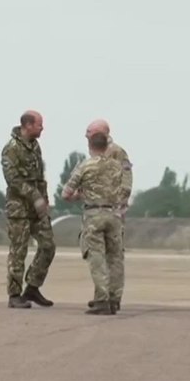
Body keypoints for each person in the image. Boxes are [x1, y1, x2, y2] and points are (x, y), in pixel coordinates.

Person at [62, 131, 124, 315]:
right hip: (114, 214)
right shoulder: (117, 166)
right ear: (106, 146)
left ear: (90, 146)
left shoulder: (85, 167)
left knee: (97, 258)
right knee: (115, 258)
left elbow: (66, 194)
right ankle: (115, 299)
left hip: (94, 215)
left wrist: (80, 195)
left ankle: (102, 299)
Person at [2, 110, 56, 308]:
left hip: (37, 210)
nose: (42, 128)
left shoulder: (35, 147)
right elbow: (13, 180)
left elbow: (40, 177)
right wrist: (34, 197)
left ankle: (32, 287)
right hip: (19, 210)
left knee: (48, 246)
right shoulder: (11, 149)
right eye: (39, 124)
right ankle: (14, 295)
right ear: (28, 125)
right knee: (18, 251)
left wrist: (44, 201)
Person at [83, 118, 131, 311]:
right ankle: (106, 296)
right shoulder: (98, 151)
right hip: (105, 210)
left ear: (100, 133)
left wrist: (121, 204)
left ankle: (111, 297)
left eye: (89, 131)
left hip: (107, 211)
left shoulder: (116, 152)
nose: (85, 134)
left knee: (108, 256)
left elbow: (125, 179)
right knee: (107, 256)